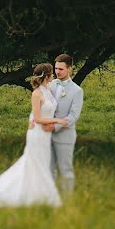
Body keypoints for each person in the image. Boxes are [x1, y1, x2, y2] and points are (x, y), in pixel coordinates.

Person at [0, 63, 68, 210]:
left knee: (42, 164)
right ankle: (40, 197)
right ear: (46, 75)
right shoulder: (36, 94)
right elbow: (37, 117)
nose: (54, 75)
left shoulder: (49, 89)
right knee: (35, 164)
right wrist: (57, 121)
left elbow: (42, 111)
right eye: (51, 73)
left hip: (45, 134)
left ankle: (37, 195)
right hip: (37, 134)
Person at [48, 53, 84, 192]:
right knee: (49, 168)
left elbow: (73, 116)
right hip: (46, 135)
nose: (57, 72)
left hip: (64, 136)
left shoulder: (77, 91)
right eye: (56, 68)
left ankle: (67, 199)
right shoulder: (50, 85)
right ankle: (51, 197)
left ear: (69, 69)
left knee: (65, 169)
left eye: (61, 69)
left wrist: (54, 127)